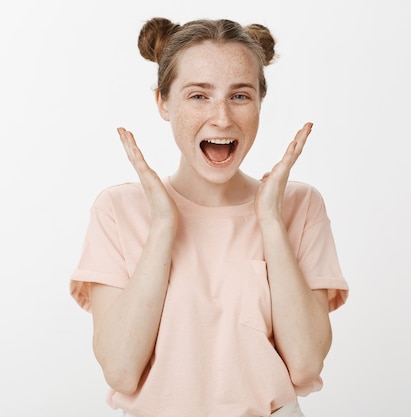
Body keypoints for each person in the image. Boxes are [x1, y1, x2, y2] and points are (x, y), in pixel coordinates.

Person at [69, 17, 349, 417]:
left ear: (259, 103)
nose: (221, 118)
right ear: (164, 102)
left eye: (240, 96)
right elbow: (121, 370)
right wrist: (164, 226)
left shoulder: (299, 206)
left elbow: (305, 364)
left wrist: (269, 219)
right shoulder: (118, 210)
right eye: (199, 96)